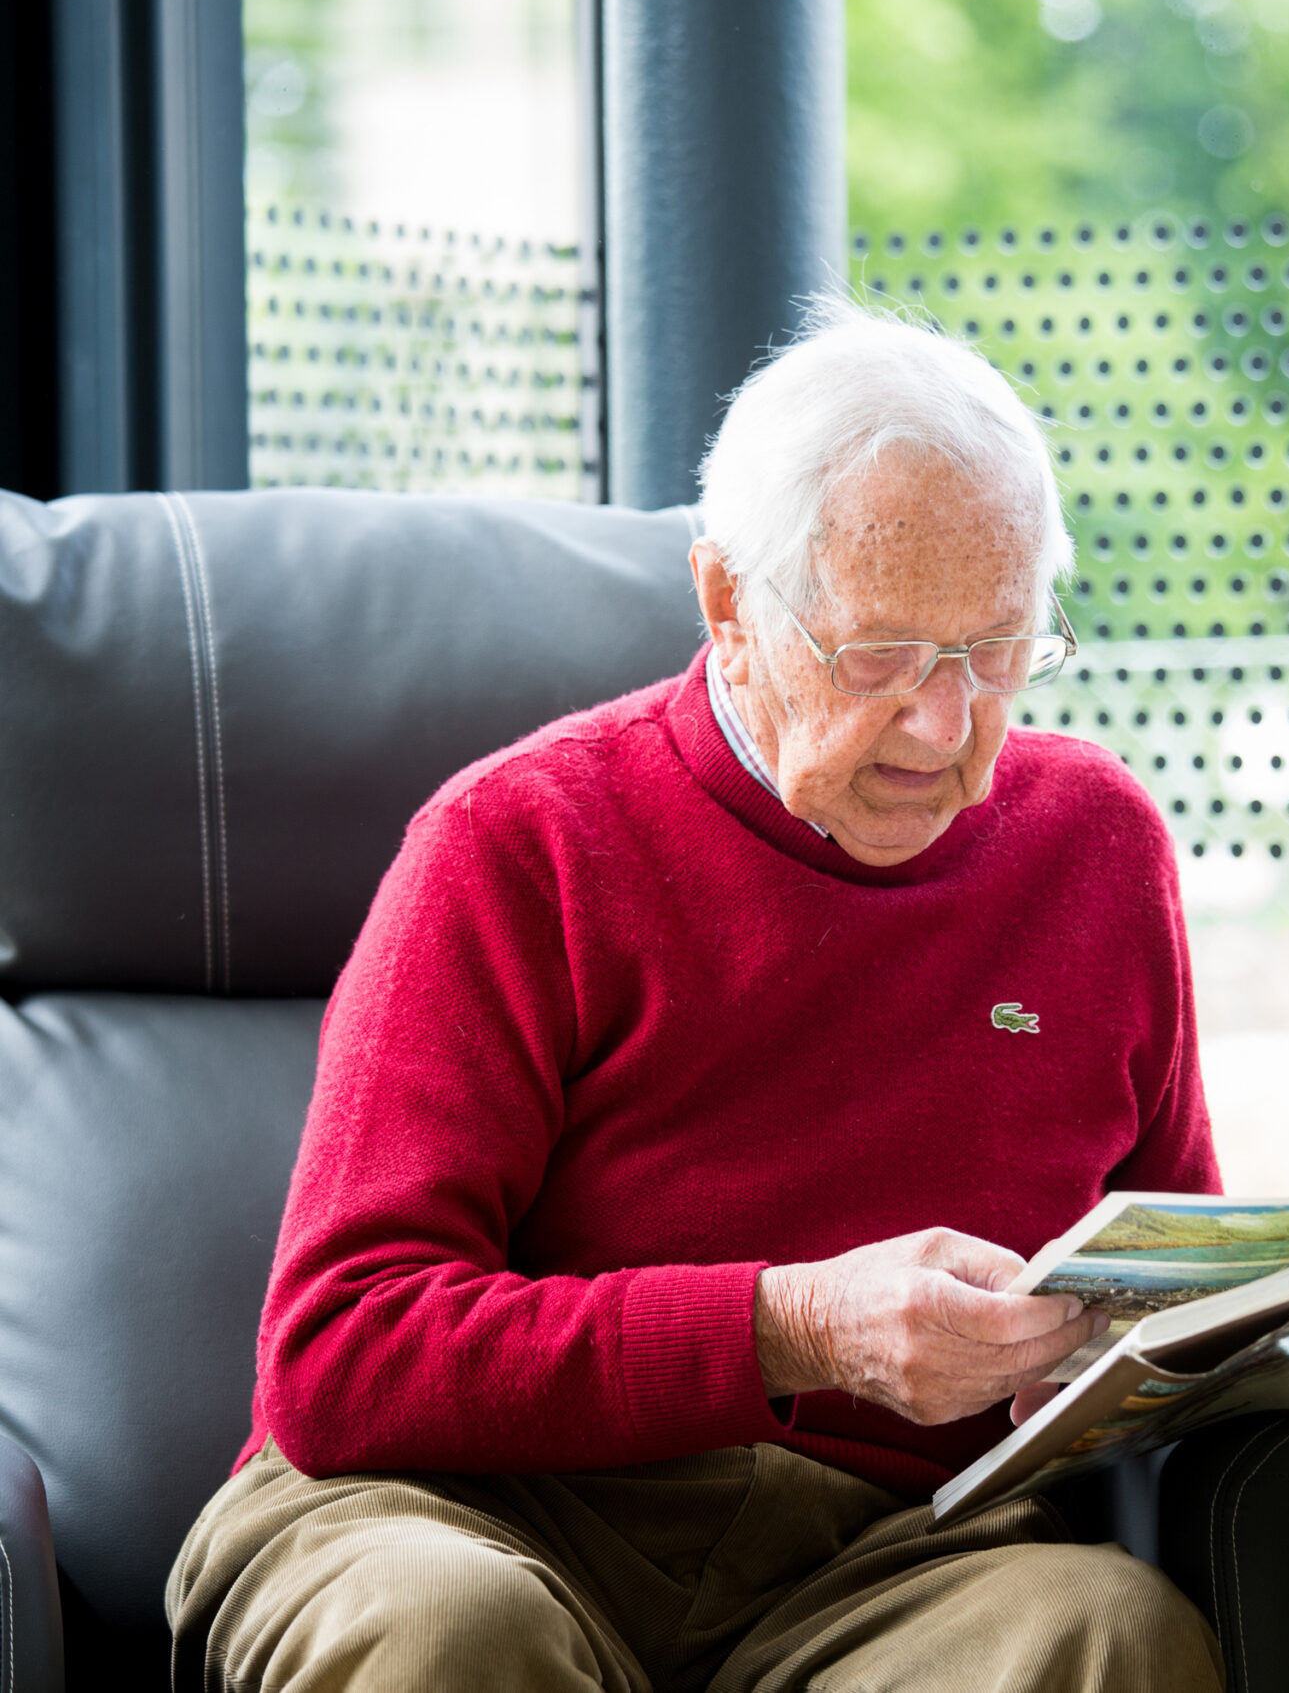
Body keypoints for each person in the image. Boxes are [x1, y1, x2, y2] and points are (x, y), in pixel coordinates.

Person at [168, 305, 1226, 1692]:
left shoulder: (1094, 842)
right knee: (456, 1634)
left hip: (885, 1560)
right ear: (730, 605)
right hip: (461, 1510)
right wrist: (790, 1327)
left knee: (1104, 1636)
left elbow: (1184, 1276)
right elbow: (340, 1354)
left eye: (997, 649)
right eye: (883, 656)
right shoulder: (516, 842)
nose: (945, 725)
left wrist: (1174, 1346)